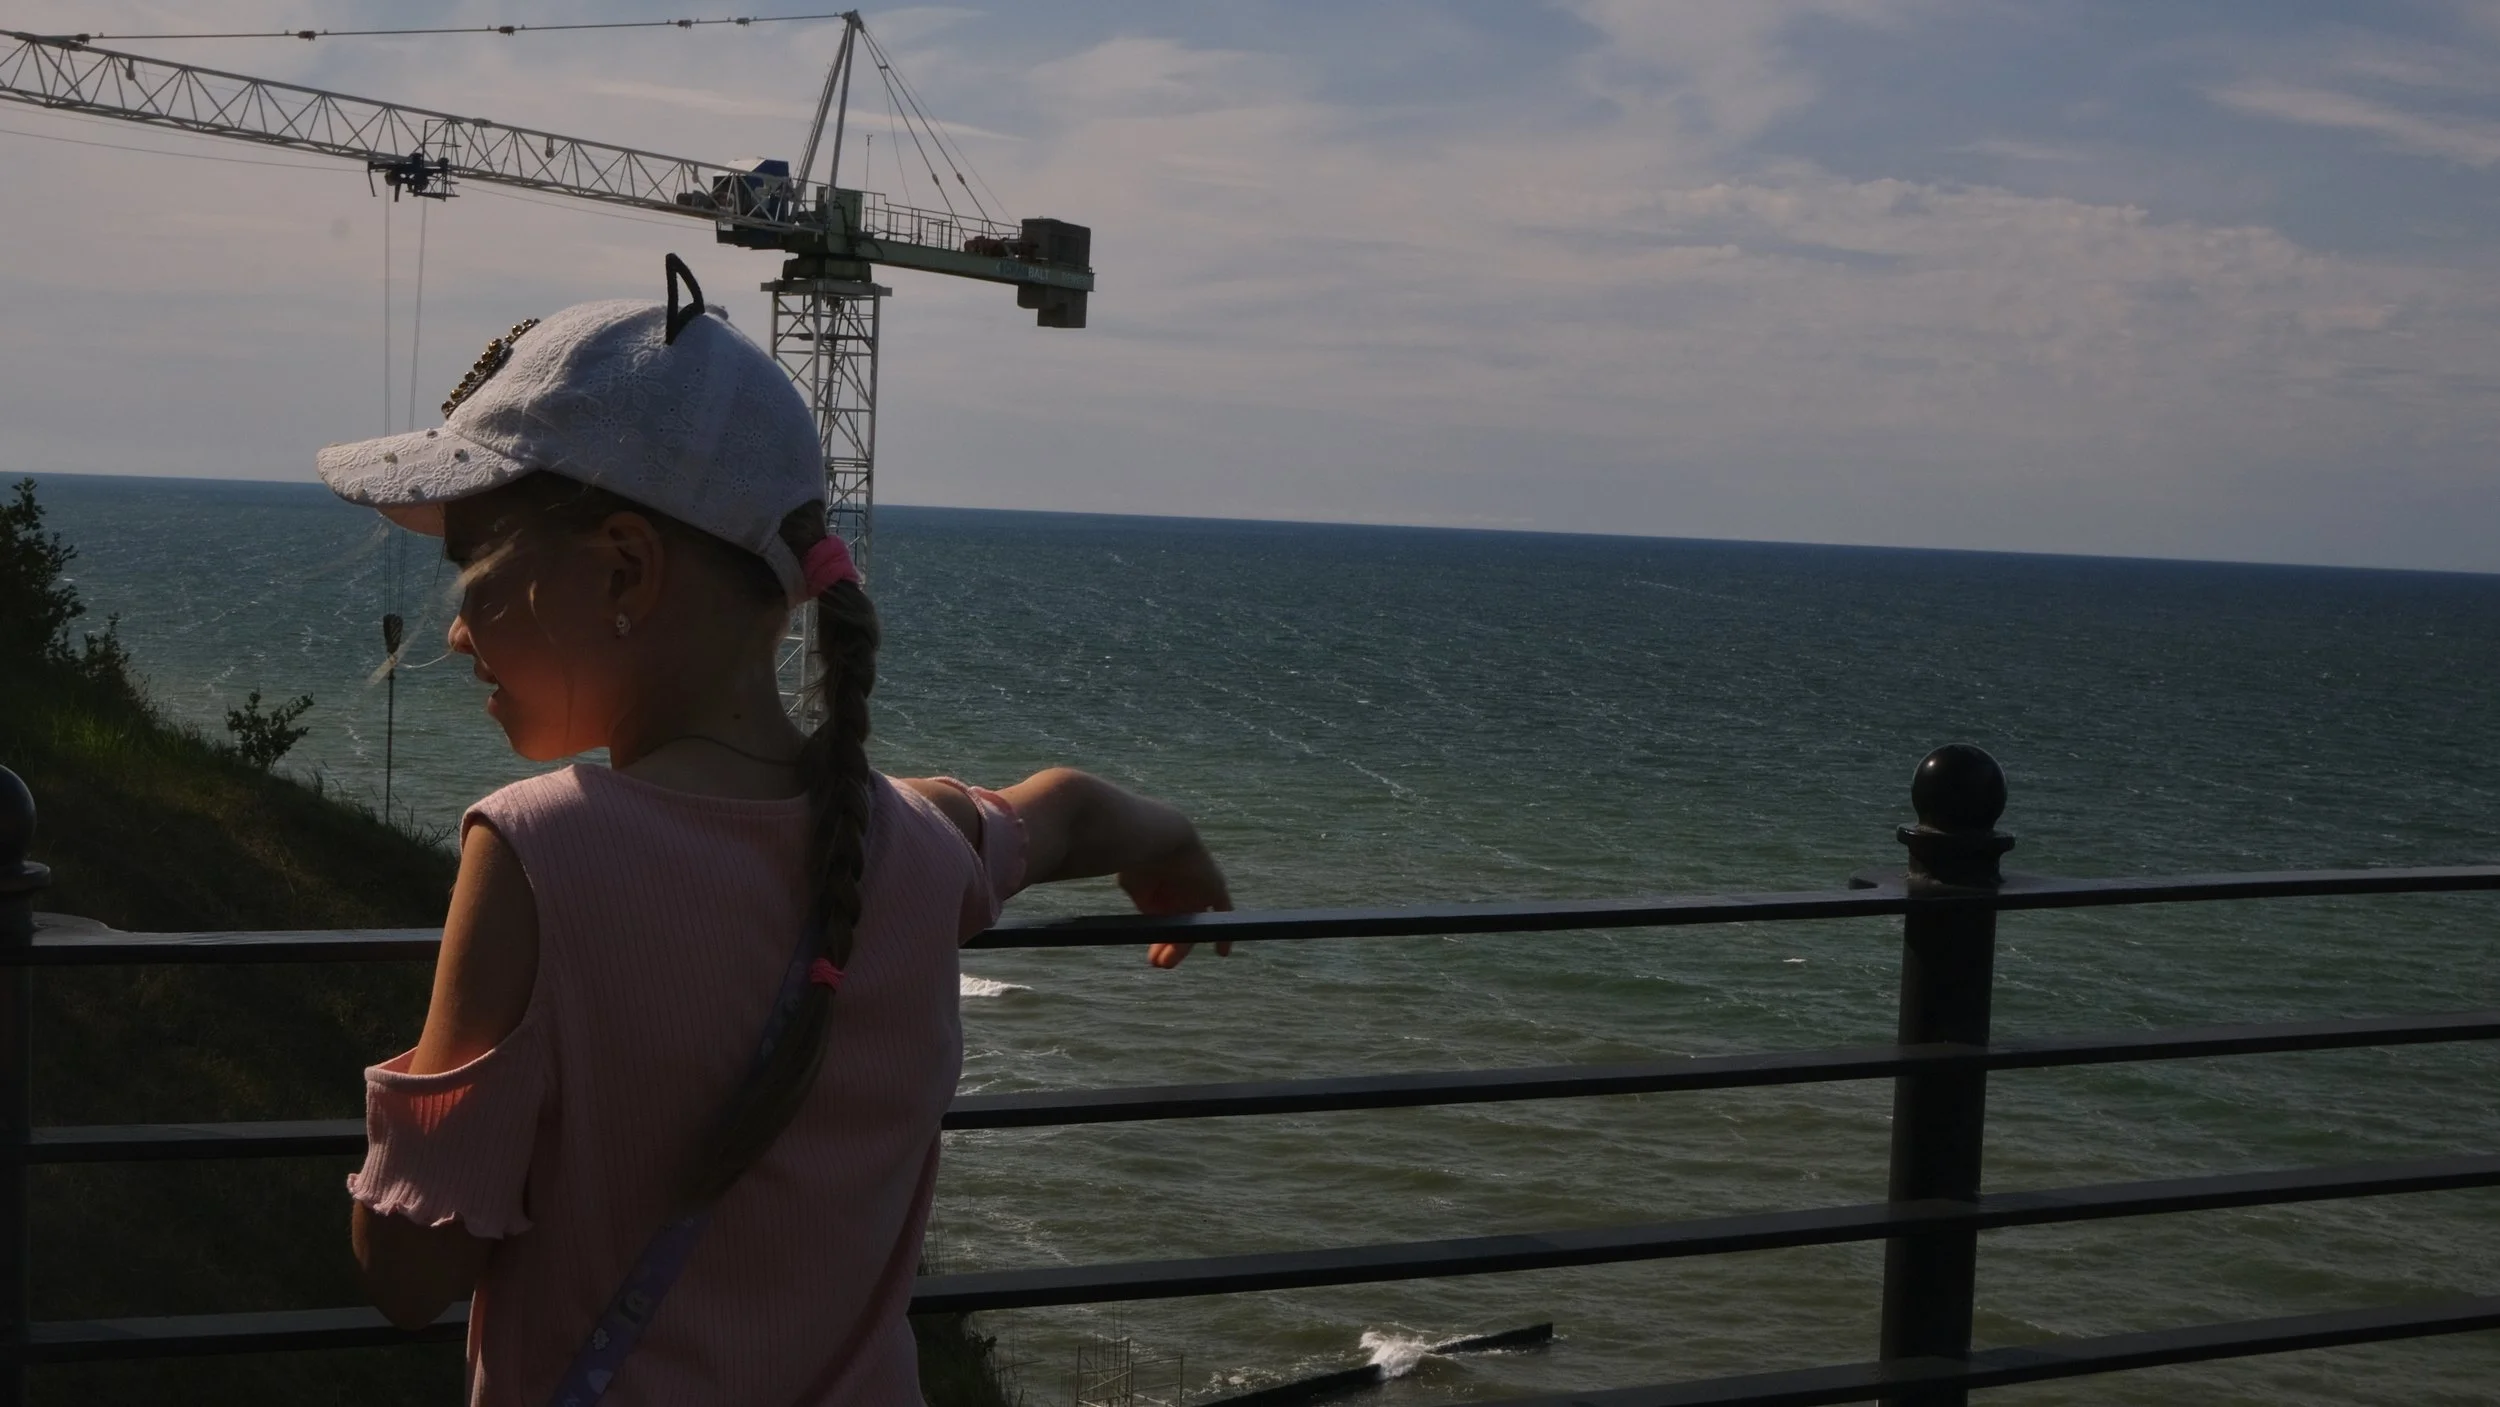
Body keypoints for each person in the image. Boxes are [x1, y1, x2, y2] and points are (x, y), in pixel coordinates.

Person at [320, 266, 1232, 1406]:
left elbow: (410, 1273)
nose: (459, 633)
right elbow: (1066, 813)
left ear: (624, 568)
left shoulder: (535, 850)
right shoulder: (911, 839)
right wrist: (1171, 842)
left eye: (476, 575)